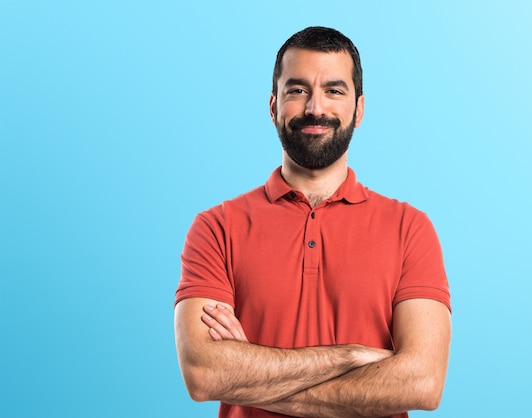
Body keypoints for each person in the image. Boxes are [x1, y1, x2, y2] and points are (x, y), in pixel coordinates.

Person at [174, 26, 451, 418]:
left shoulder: (410, 229)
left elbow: (422, 383)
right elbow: (204, 374)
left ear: (359, 109)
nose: (315, 108)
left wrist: (247, 372)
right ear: (273, 106)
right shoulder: (216, 228)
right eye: (297, 90)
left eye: (334, 91)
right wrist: (350, 356)